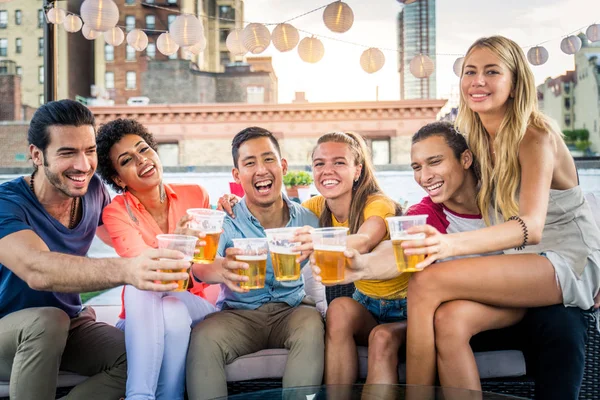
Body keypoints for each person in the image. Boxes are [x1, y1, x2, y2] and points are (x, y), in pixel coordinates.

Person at [332, 35, 600, 393]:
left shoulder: (533, 135)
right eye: (470, 71)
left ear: (515, 81)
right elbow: (417, 222)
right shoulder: (475, 143)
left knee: (427, 281)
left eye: (492, 71)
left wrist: (447, 245)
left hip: (564, 261)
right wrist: (360, 265)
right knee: (449, 319)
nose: (478, 81)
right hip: (519, 264)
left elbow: (532, 227)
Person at [0, 100, 190, 400]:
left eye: (89, 151)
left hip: (70, 325)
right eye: (67, 153)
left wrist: (190, 232)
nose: (83, 165)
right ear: (37, 155)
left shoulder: (93, 191)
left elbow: (131, 239)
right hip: (8, 330)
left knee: (137, 361)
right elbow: (37, 269)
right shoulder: (6, 203)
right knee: (48, 321)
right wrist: (129, 269)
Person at [407, 121, 590, 399]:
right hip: (480, 316)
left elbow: (574, 220)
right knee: (447, 317)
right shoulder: (424, 213)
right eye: (417, 167)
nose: (425, 176)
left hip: (537, 296)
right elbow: (394, 250)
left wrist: (593, 270)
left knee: (564, 321)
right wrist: (362, 260)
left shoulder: (506, 190)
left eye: (434, 162)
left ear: (466, 159)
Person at [186, 127, 325, 400]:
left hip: (292, 310)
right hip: (240, 314)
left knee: (311, 325)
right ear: (237, 176)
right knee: (204, 336)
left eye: (268, 159)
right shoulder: (225, 218)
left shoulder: (308, 218)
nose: (261, 170)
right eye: (250, 163)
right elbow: (200, 266)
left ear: (283, 166)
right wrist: (221, 269)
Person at [96, 119, 229, 400]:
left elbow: (205, 265)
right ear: (119, 179)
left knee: (153, 293)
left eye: (143, 149)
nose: (142, 160)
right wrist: (180, 246)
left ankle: (139, 396)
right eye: (127, 160)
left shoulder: (195, 194)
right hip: (143, 313)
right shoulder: (116, 213)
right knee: (156, 296)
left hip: (197, 303)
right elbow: (146, 270)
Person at [294, 132, 405, 386]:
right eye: (319, 163)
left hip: (408, 308)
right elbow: (278, 213)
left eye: (339, 162)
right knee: (339, 309)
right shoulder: (315, 206)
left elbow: (365, 240)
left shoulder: (377, 203)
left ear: (358, 170)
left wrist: (320, 242)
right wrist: (233, 202)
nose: (327, 170)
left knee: (382, 337)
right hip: (366, 303)